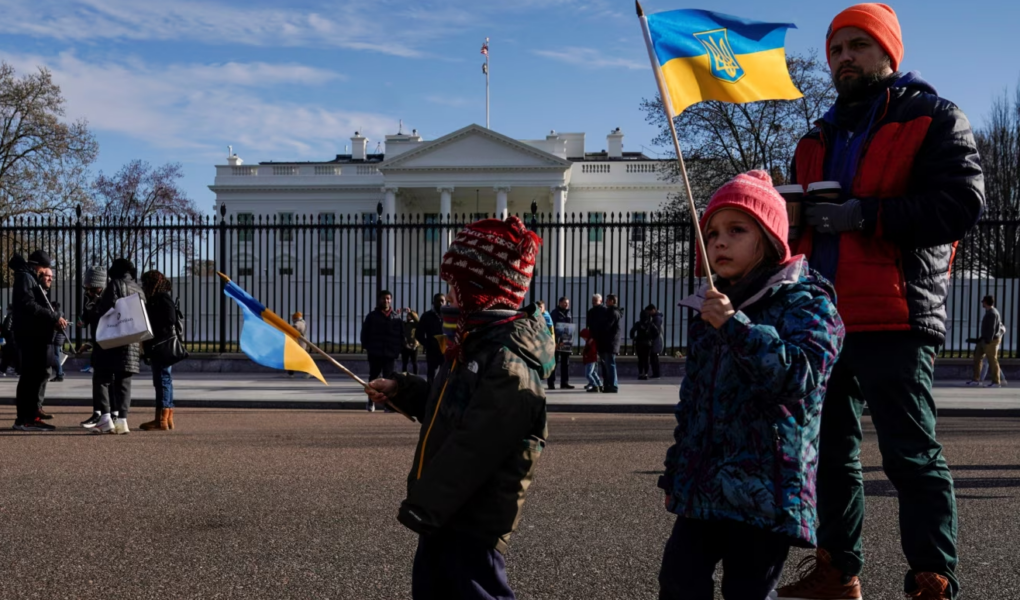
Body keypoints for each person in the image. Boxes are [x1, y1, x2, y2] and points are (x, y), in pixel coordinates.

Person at [776, 5, 985, 600]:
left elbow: (961, 205)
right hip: (823, 318)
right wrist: (792, 222)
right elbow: (798, 234)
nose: (844, 58)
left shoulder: (934, 117)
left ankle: (932, 578)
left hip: (896, 312)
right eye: (836, 49)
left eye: (857, 46)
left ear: (888, 55)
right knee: (829, 455)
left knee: (911, 455)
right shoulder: (813, 137)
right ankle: (838, 572)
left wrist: (867, 214)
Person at [659, 170, 845, 600]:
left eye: (736, 230)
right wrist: (677, 471)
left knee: (748, 591)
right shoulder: (710, 310)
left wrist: (735, 326)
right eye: (712, 234)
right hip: (705, 488)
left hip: (766, 491)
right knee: (678, 583)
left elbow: (798, 376)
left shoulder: (809, 304)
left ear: (769, 239)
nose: (718, 243)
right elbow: (694, 404)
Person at [363, 216, 553, 600]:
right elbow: (450, 407)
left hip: (473, 518)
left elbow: (476, 446)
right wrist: (401, 389)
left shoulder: (506, 359)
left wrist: (424, 505)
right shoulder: (473, 342)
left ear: (479, 290)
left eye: (455, 286)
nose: (447, 295)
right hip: (449, 512)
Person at [84, 258, 145, 435]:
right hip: (131, 340)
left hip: (113, 339)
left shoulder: (115, 284)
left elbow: (106, 310)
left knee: (102, 377)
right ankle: (122, 421)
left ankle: (105, 419)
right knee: (124, 381)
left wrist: (94, 310)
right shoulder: (138, 288)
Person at [9, 251, 64, 431]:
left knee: (34, 376)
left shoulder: (29, 277)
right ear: (38, 266)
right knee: (29, 378)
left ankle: (31, 415)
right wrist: (53, 316)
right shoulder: (26, 278)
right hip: (28, 334)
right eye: (44, 268)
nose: (45, 272)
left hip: (32, 334)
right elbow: (28, 304)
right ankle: (24, 419)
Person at [139, 270, 178, 431]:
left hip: (161, 346)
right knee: (164, 380)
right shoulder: (161, 296)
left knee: (162, 380)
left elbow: (170, 319)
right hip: (162, 346)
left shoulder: (161, 297)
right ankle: (166, 419)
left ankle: (161, 420)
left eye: (145, 283)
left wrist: (152, 323)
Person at [360, 289, 403, 412]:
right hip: (375, 353)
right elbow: (364, 333)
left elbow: (401, 335)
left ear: (391, 300)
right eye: (384, 298)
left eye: (388, 298)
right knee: (373, 378)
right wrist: (368, 347)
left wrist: (397, 349)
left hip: (390, 354)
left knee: (388, 379)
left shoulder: (396, 317)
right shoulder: (372, 316)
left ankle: (388, 405)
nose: (386, 300)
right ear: (379, 300)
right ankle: (370, 402)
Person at [78, 266, 107, 429]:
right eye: (86, 287)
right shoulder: (88, 297)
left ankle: (106, 414)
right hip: (96, 342)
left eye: (91, 288)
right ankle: (97, 413)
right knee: (97, 380)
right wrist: (82, 320)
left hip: (107, 343)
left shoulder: (108, 297)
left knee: (105, 381)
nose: (87, 291)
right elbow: (87, 317)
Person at [967, 295, 1005, 388]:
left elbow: (992, 329)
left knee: (992, 360)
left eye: (983, 301)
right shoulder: (990, 312)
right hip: (985, 339)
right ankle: (976, 379)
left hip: (990, 340)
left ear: (986, 302)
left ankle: (996, 382)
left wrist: (987, 340)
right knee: (977, 357)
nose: (982, 303)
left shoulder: (992, 313)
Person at [415, 293, 447, 388]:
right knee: (431, 374)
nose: (441, 303)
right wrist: (427, 344)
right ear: (434, 302)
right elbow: (418, 334)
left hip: (446, 350)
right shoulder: (426, 316)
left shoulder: (449, 316)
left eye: (442, 301)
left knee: (445, 374)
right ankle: (430, 394)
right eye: (438, 301)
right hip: (432, 351)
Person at [595, 294, 622, 393]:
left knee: (610, 364)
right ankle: (609, 384)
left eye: (607, 300)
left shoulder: (613, 313)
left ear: (612, 301)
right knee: (608, 364)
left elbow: (607, 327)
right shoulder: (610, 312)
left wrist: (599, 328)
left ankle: (613, 385)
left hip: (610, 343)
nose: (605, 302)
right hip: (607, 342)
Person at [550, 297, 575, 390]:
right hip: (557, 340)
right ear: (560, 303)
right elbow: (552, 326)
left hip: (566, 340)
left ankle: (564, 383)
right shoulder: (554, 313)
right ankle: (551, 383)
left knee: (566, 363)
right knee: (554, 362)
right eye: (565, 303)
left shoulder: (568, 313)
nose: (566, 304)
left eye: (567, 303)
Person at [630, 306, 661, 381]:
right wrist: (651, 338)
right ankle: (646, 373)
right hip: (648, 343)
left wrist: (634, 338)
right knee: (647, 359)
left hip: (639, 343)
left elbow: (632, 331)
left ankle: (641, 373)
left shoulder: (638, 323)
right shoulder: (650, 324)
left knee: (640, 359)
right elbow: (656, 332)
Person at [580, 327, 601, 393]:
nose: (583, 339)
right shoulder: (589, 341)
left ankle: (595, 385)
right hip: (591, 359)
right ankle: (599, 384)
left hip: (590, 359)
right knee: (594, 373)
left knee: (588, 374)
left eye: (584, 337)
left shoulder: (591, 342)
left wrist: (586, 355)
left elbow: (592, 351)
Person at [0, 305, 20, 376]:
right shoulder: (16, 315)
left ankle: (3, 370)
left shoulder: (10, 316)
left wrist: (4, 334)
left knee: (7, 355)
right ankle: (16, 370)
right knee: (13, 355)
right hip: (13, 338)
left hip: (10, 339)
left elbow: (7, 328)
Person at [286, 312, 308, 378]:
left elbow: (295, 327)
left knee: (295, 359)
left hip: (299, 344)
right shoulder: (303, 322)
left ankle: (308, 372)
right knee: (293, 359)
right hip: (300, 343)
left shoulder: (299, 323)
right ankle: (291, 374)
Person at [50, 301, 66, 382]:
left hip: (57, 339)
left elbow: (55, 330)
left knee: (56, 357)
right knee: (57, 356)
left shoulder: (57, 315)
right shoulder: (60, 314)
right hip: (59, 339)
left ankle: (60, 374)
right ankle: (60, 373)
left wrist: (51, 339)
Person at [401, 308, 420, 375]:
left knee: (414, 362)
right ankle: (404, 376)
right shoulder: (404, 324)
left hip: (414, 345)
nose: (408, 316)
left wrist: (411, 312)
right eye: (407, 315)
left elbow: (417, 321)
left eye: (409, 315)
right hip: (405, 346)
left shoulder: (415, 324)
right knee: (404, 363)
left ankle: (416, 375)